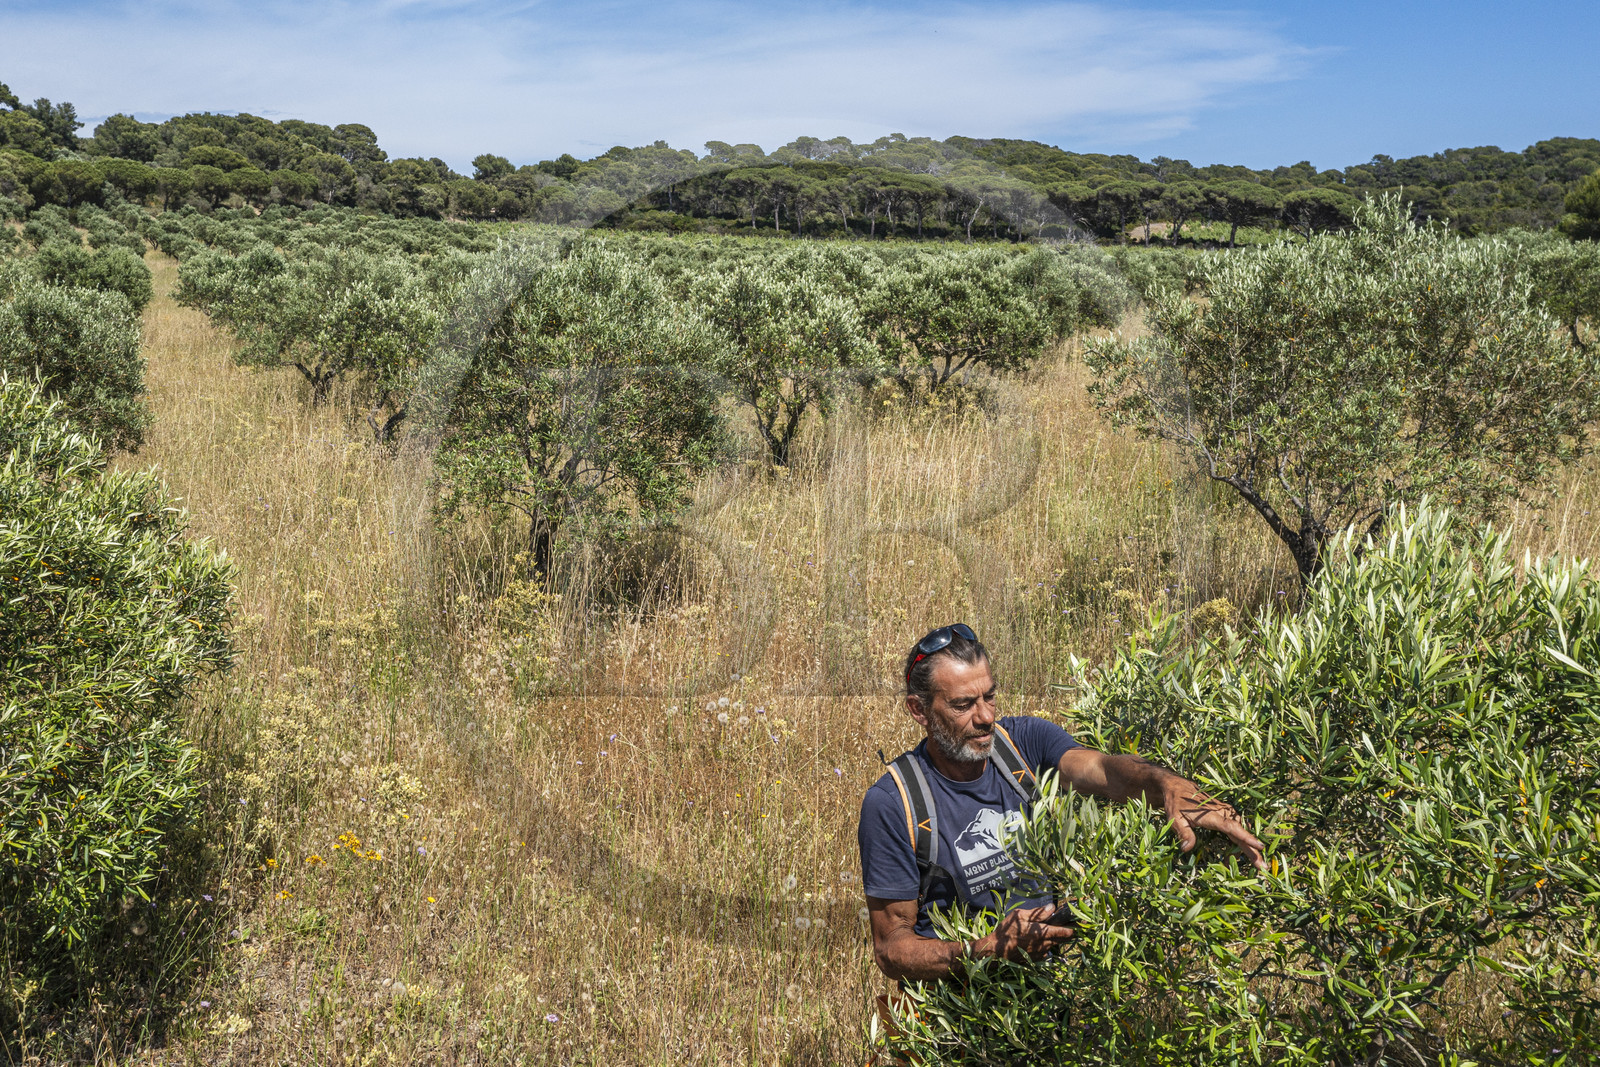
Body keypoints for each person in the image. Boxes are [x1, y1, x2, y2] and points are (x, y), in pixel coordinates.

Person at [859, 623, 1266, 982]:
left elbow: (1106, 771)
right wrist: (985, 951)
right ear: (919, 711)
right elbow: (892, 949)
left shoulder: (1026, 744)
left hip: (1054, 994)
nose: (985, 717)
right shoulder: (894, 803)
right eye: (963, 705)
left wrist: (1168, 785)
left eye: (990, 697)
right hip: (963, 1017)